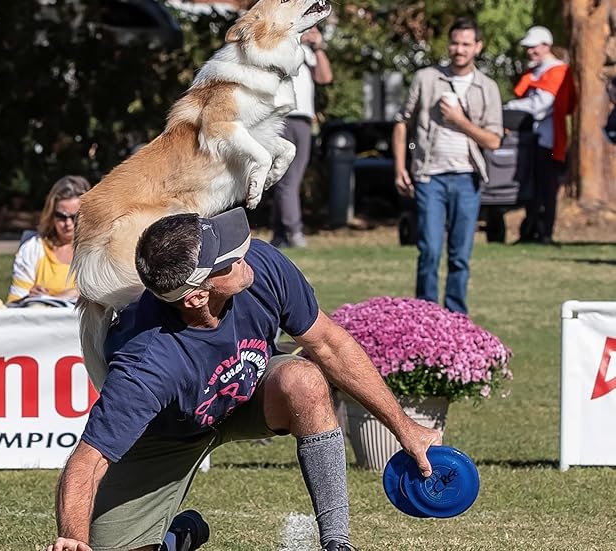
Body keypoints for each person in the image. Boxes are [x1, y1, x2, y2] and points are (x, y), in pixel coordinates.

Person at [46, 207, 441, 551]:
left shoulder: (261, 265)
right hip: (166, 434)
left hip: (249, 394)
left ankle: (337, 541)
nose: (243, 251)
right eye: (227, 259)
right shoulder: (146, 363)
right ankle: (176, 538)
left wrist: (404, 428)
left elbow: (329, 344)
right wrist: (72, 536)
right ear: (196, 296)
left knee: (303, 380)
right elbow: (88, 460)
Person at [392, 17, 503, 314]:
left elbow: (494, 140)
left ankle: (456, 320)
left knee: (460, 256)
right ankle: (427, 316)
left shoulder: (487, 87)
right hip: (430, 176)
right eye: (455, 43)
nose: (459, 49)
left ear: (477, 47)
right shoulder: (426, 78)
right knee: (429, 250)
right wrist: (400, 167)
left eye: (467, 44)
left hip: (467, 178)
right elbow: (402, 122)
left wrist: (459, 121)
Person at [505, 25, 577, 244]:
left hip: (548, 139)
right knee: (531, 186)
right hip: (530, 138)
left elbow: (541, 105)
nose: (530, 51)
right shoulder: (535, 70)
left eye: (534, 47)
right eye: (528, 47)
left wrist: (510, 106)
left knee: (547, 186)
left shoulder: (557, 70)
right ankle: (530, 229)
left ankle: (545, 231)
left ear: (546, 46)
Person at [270, 26, 333, 248]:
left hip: (304, 120)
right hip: (284, 117)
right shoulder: (281, 45)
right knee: (287, 179)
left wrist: (319, 48)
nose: (311, 31)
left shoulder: (307, 53)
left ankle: (279, 234)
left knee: (289, 178)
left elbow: (325, 77)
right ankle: (294, 231)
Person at [6, 175, 91, 304]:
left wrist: (65, 295)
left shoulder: (100, 248)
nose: (68, 223)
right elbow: (13, 304)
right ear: (51, 214)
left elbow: (112, 292)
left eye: (75, 217)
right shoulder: (33, 248)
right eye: (61, 216)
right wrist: (29, 298)